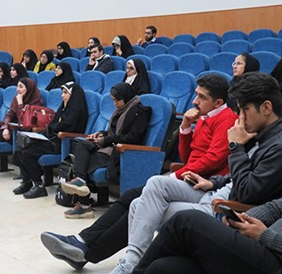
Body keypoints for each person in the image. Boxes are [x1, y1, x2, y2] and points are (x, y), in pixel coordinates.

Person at [40, 74, 238, 270]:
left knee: (138, 200)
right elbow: (187, 156)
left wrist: (176, 174)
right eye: (195, 94)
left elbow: (214, 160)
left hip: (203, 183)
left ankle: (84, 245)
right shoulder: (202, 117)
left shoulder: (226, 119)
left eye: (202, 97)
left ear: (218, 102)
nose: (195, 101)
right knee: (132, 198)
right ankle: (83, 245)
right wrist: (185, 127)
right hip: (188, 177)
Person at [110, 72, 282, 274]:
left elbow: (244, 189)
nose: (240, 117)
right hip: (230, 207)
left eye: (244, 110)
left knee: (183, 219)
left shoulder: (275, 145)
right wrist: (215, 182)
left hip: (244, 225)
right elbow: (270, 201)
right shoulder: (261, 135)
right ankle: (132, 261)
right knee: (158, 257)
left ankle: (131, 265)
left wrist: (235, 146)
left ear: (266, 108)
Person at [61, 83, 151, 219]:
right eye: (113, 100)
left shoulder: (140, 111)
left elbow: (133, 138)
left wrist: (107, 140)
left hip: (121, 152)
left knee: (83, 163)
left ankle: (84, 205)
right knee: (82, 145)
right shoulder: (121, 110)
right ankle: (80, 181)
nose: (114, 104)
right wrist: (101, 134)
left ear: (125, 97)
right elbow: (113, 131)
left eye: (117, 100)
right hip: (109, 146)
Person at [133, 200, 282, 274]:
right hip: (261, 248)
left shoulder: (273, 147)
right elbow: (275, 208)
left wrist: (264, 235)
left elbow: (248, 189)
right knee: (163, 268)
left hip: (274, 260)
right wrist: (244, 219)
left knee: (187, 221)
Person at [13, 82, 88, 199]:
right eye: (62, 93)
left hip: (62, 144)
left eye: (65, 93)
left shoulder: (77, 108)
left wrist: (51, 129)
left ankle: (39, 186)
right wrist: (49, 130)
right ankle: (27, 182)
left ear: (73, 94)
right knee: (21, 148)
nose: (62, 96)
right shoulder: (63, 107)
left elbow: (67, 127)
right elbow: (53, 124)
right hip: (51, 139)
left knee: (27, 153)